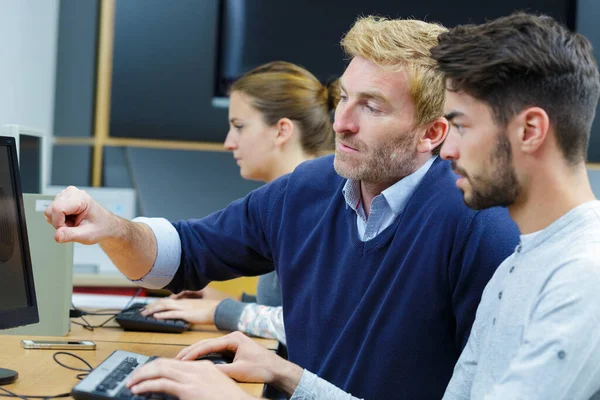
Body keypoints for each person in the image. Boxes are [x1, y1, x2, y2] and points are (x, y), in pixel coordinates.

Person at [46, 16, 519, 400]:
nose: (342, 123)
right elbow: (186, 255)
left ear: (432, 134)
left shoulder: (481, 226)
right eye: (344, 98)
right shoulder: (308, 188)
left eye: (371, 107)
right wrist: (111, 229)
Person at [144, 12, 600, 400]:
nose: (449, 149)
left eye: (460, 126)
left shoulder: (582, 277)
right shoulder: (524, 262)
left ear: (530, 131)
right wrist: (290, 376)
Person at [141, 61, 339, 345]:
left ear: (282, 131)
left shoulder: (321, 207)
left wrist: (220, 311)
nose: (228, 142)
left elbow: (319, 326)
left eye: (239, 126)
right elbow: (292, 307)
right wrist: (233, 301)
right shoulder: (282, 206)